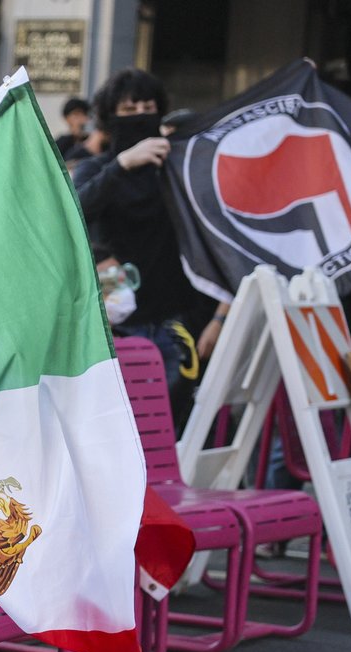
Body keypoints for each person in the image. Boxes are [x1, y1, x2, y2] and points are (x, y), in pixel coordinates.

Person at [74, 68, 215, 430]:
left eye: (147, 106)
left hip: (175, 321)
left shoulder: (174, 169)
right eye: (128, 107)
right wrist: (123, 164)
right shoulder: (97, 167)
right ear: (109, 116)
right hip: (115, 325)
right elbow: (73, 210)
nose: (139, 114)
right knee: (116, 427)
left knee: (171, 425)